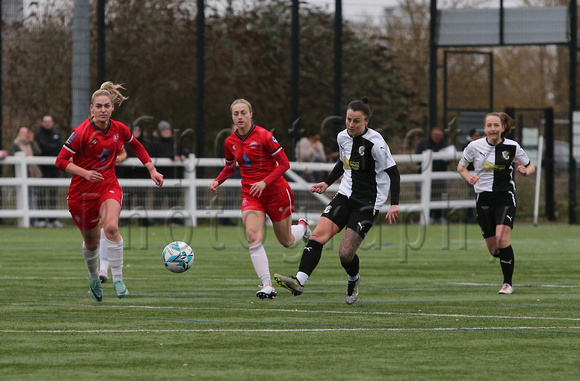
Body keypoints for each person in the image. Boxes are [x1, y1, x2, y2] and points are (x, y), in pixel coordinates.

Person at [274, 97, 401, 305]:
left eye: (356, 121)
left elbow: (394, 174)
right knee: (317, 236)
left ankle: (353, 279)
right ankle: (299, 281)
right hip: (344, 195)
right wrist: (326, 183)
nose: (351, 124)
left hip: (368, 203)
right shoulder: (343, 137)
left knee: (345, 254)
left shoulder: (376, 144)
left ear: (366, 121)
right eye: (348, 119)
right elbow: (343, 164)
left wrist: (394, 203)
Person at [55, 82, 164, 302]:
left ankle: (118, 279)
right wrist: (85, 173)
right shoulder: (80, 133)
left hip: (108, 185)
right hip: (81, 193)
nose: (103, 109)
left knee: (112, 226)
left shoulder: (120, 129)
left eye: (107, 106)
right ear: (91, 109)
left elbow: (136, 146)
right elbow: (60, 161)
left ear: (112, 108)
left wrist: (151, 169)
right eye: (99, 106)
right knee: (92, 243)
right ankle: (94, 277)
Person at [209, 99, 311, 299]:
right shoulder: (229, 142)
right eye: (236, 113)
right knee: (252, 236)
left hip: (276, 193)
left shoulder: (264, 136)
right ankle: (267, 285)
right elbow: (230, 167)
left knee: (286, 241)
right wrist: (217, 181)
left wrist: (264, 182)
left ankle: (303, 227)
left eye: (243, 113)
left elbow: (284, 164)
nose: (239, 116)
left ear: (250, 114)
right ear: (232, 117)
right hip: (251, 196)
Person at [457, 112, 535, 295]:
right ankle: (507, 256)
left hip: (505, 197)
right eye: (489, 125)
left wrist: (525, 171)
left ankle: (507, 283)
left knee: (502, 238)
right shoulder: (474, 147)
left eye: (496, 125)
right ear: (484, 128)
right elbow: (461, 167)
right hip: (483, 199)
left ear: (502, 128)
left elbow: (531, 165)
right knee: (494, 249)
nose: (492, 129)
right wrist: (469, 177)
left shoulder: (512, 146)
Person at [151, 120, 189, 225]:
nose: (167, 132)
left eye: (168, 129)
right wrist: (172, 157)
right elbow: (159, 156)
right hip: (162, 177)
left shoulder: (176, 143)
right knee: (158, 199)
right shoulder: (156, 144)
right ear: (160, 132)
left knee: (174, 199)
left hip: (175, 176)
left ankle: (175, 219)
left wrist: (184, 155)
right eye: (164, 130)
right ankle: (156, 220)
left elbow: (185, 151)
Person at [34, 115, 65, 228]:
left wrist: (51, 148)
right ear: (42, 123)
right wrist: (52, 147)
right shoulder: (38, 135)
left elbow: (60, 147)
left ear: (52, 123)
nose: (47, 123)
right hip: (42, 169)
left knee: (53, 193)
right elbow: (42, 147)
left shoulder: (56, 134)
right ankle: (41, 219)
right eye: (45, 121)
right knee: (41, 193)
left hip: (54, 169)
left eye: (49, 121)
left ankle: (53, 220)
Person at [11, 127, 44, 227]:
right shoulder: (15, 144)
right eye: (22, 132)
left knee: (33, 196)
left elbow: (38, 152)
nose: (24, 134)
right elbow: (12, 154)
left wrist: (32, 141)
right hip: (23, 173)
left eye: (26, 132)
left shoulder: (30, 143)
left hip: (33, 173)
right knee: (27, 197)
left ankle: (34, 219)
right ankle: (33, 220)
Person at [416, 126, 449, 223]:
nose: (438, 137)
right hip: (425, 175)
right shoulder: (424, 143)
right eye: (436, 135)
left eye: (439, 135)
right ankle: (428, 216)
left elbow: (448, 158)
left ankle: (438, 216)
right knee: (426, 194)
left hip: (440, 175)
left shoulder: (444, 145)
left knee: (439, 195)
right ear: (431, 134)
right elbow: (418, 158)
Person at [463, 129, 481, 223]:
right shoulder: (468, 146)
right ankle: (470, 215)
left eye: (478, 135)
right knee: (471, 195)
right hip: (471, 174)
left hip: (480, 175)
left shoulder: (482, 145)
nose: (477, 137)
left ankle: (479, 215)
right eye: (475, 135)